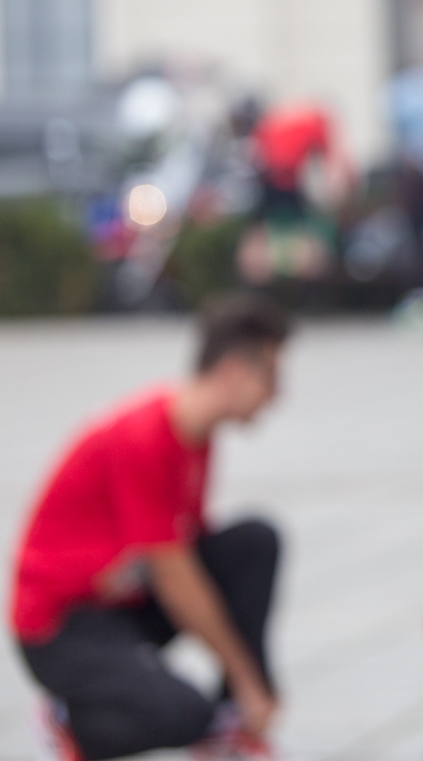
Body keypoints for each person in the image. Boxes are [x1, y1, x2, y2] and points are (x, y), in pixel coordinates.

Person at [11, 294, 290, 761]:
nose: (277, 395)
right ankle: (70, 718)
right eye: (272, 378)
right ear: (233, 372)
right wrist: (248, 678)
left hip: (123, 595)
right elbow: (174, 575)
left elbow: (191, 556)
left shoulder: (194, 436)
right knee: (184, 715)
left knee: (255, 542)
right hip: (63, 625)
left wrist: (250, 680)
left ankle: (232, 720)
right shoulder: (145, 436)